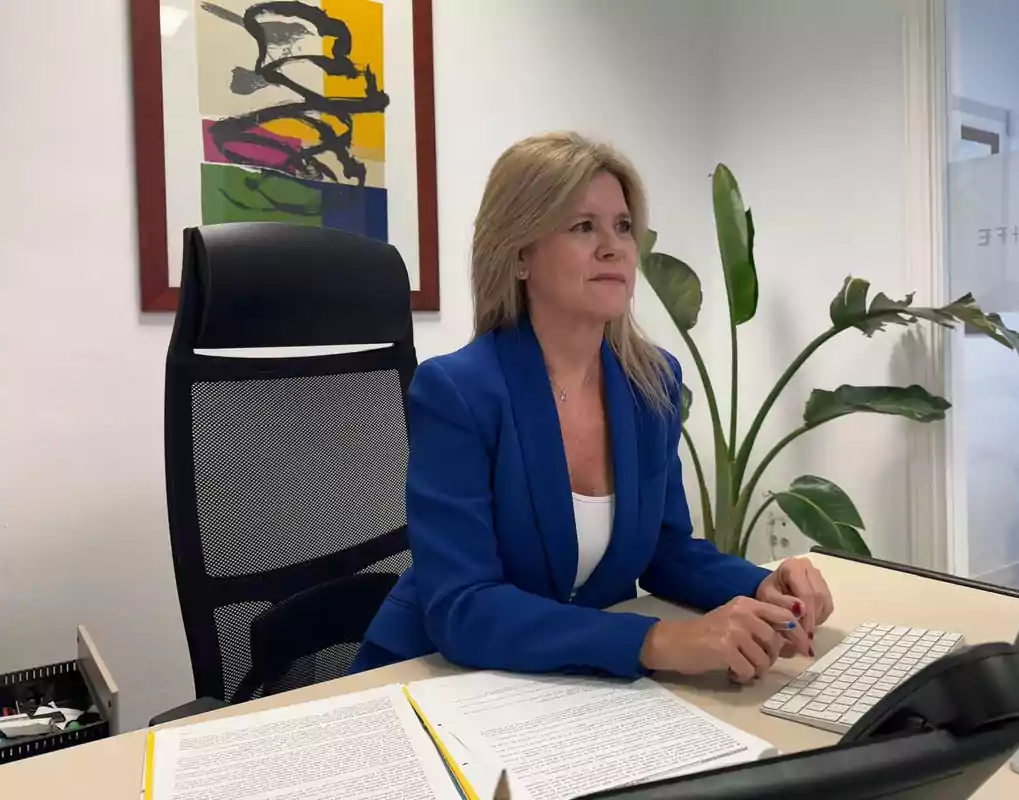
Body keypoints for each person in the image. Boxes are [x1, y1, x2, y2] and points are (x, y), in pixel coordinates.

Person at [352, 132, 834, 682]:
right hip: (430, 680)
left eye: (623, 227)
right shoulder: (459, 391)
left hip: (569, 687)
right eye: (584, 227)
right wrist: (655, 641)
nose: (615, 247)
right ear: (520, 256)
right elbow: (464, 607)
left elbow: (665, 550)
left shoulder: (650, 383)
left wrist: (758, 587)